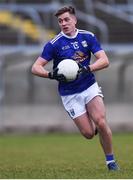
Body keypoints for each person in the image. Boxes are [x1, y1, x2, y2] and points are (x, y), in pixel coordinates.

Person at [31, 6, 119, 171]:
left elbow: (104, 60)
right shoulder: (54, 44)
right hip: (69, 94)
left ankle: (111, 162)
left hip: (89, 86)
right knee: (88, 133)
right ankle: (95, 127)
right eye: (60, 21)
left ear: (74, 20)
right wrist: (50, 75)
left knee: (101, 121)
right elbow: (35, 67)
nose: (63, 23)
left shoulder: (88, 37)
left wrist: (87, 68)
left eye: (66, 19)